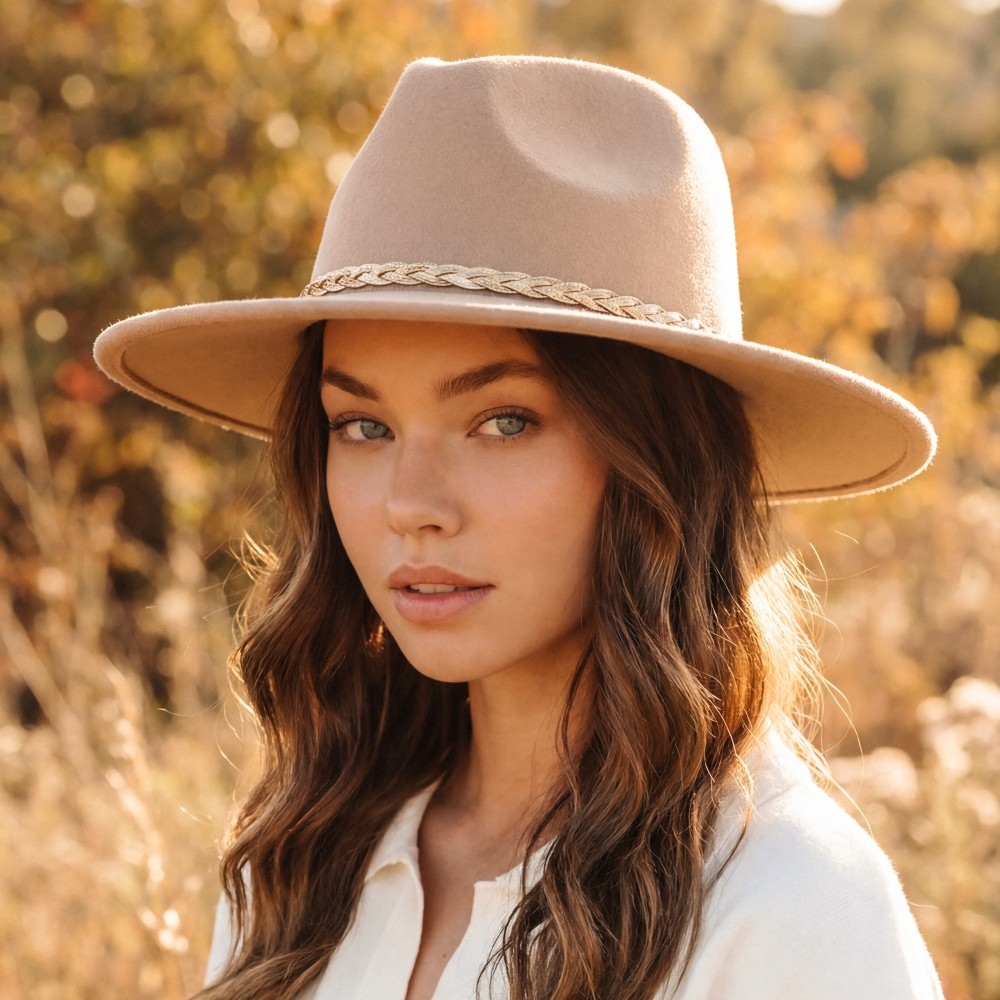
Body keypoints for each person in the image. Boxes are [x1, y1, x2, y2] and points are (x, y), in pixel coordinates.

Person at [94, 56, 945, 1000]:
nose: (410, 503)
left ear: (659, 461)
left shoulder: (787, 905)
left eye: (503, 422)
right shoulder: (296, 862)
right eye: (362, 426)